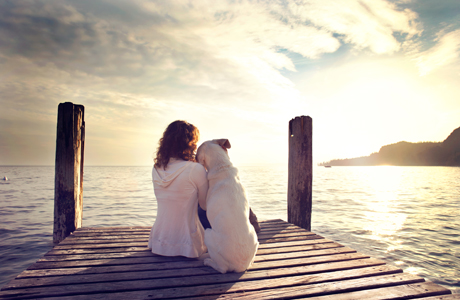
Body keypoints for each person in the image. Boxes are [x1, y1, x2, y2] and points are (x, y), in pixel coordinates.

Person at [148, 120, 208, 258]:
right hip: (188, 244)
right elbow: (205, 206)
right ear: (190, 144)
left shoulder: (156, 167)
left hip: (158, 241)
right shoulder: (196, 169)